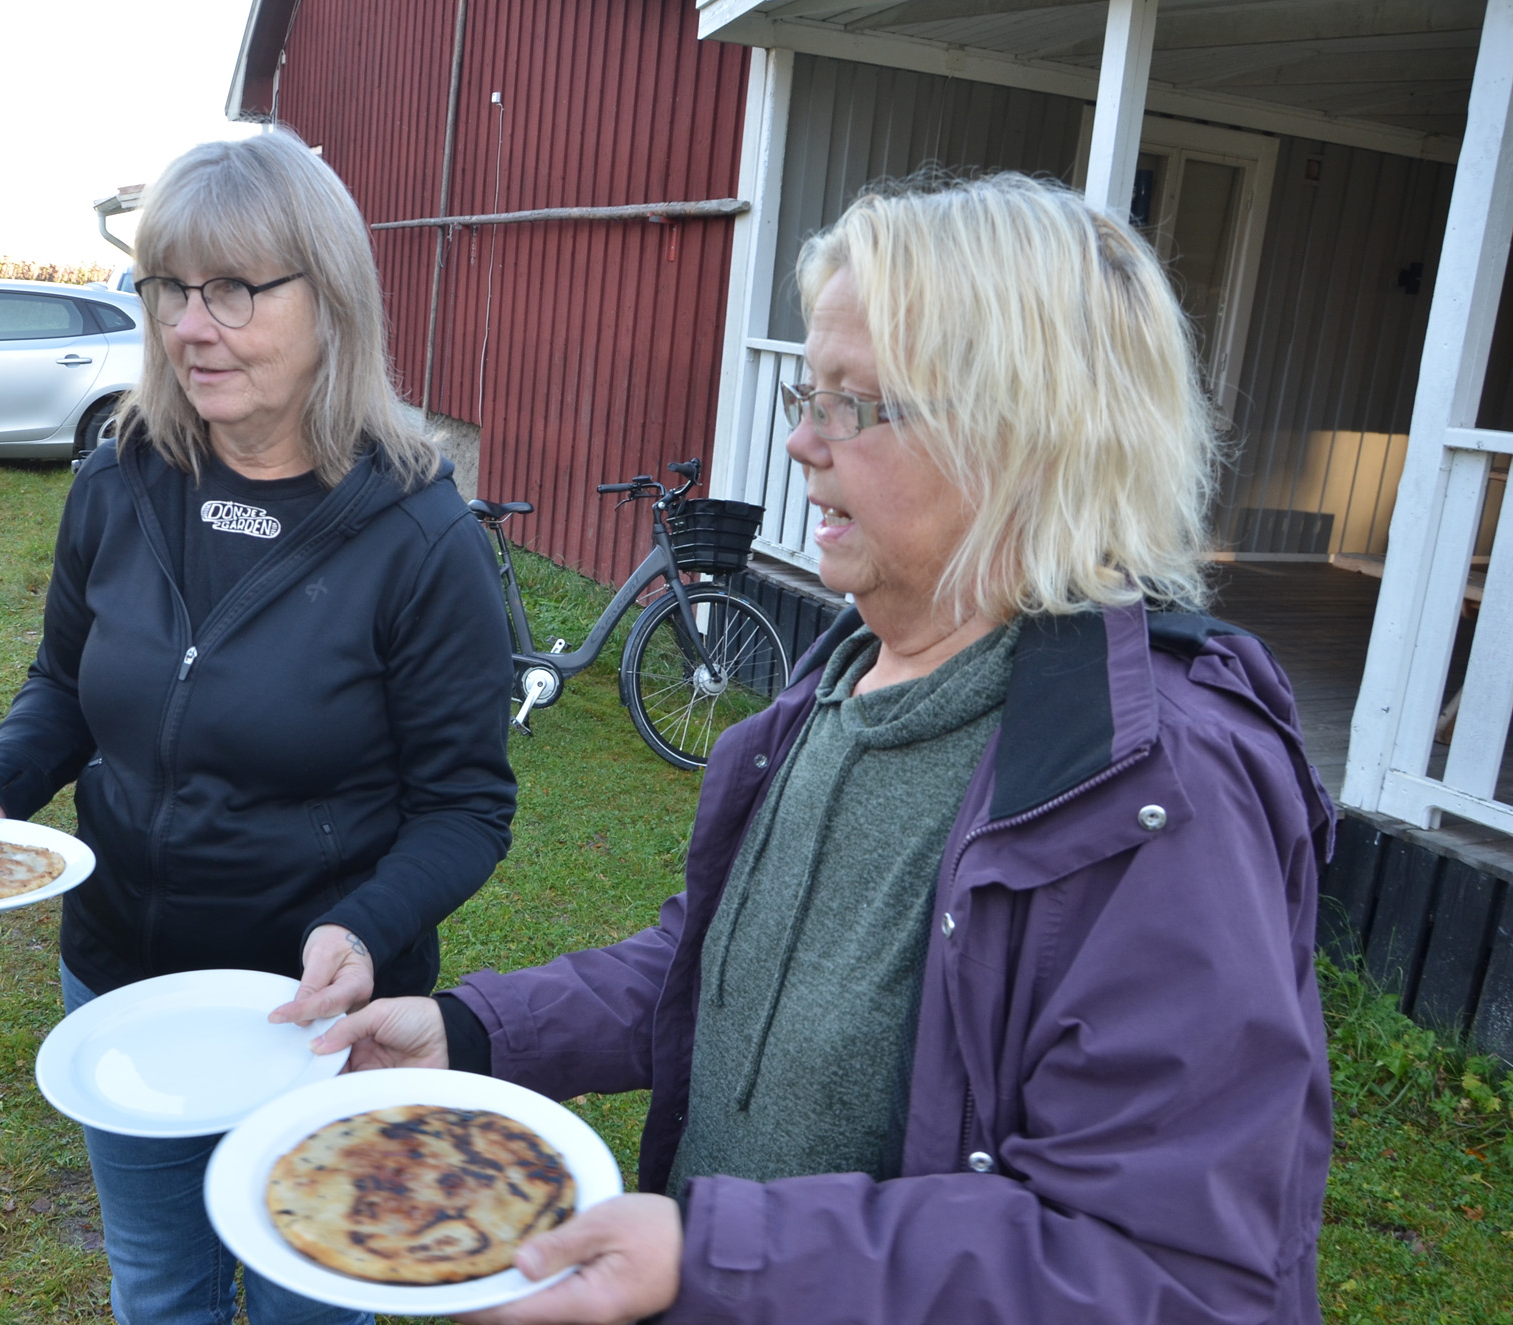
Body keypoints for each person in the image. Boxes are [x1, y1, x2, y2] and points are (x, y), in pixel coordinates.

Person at [318, 172, 1335, 1325]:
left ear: (1028, 434)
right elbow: (722, 967)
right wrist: (477, 1030)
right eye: (812, 390)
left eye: (859, 402)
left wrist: (719, 1261)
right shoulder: (844, 673)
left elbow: (1169, 1271)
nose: (800, 439)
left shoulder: (1153, 784)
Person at [0, 129, 518, 1325]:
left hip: (312, 1015)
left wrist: (363, 924)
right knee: (160, 1285)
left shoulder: (420, 537)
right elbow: (64, 684)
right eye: (168, 286)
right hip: (118, 984)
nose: (187, 325)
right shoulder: (120, 474)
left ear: (330, 299)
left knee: (304, 1305)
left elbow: (465, 805)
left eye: (232, 289)